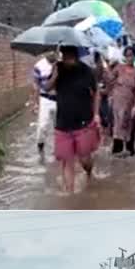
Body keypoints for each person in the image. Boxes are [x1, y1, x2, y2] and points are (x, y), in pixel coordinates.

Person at [45, 45, 100, 193]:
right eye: (64, 55)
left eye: (70, 56)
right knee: (66, 161)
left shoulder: (86, 71)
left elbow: (96, 93)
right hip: (62, 124)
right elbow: (47, 88)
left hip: (84, 123)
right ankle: (70, 194)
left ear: (76, 55)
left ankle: (88, 172)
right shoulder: (58, 68)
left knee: (84, 160)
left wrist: (96, 114)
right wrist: (55, 75)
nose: (67, 59)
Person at [106, 46, 135, 157]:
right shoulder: (118, 68)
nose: (130, 58)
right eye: (127, 55)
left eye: (132, 55)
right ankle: (117, 151)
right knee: (117, 125)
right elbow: (109, 80)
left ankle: (130, 150)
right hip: (117, 101)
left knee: (130, 125)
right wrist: (109, 67)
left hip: (129, 102)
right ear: (125, 57)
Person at [31, 52, 57, 158]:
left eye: (53, 50)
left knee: (59, 127)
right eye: (48, 51)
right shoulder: (39, 66)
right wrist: (35, 103)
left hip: (60, 100)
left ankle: (59, 152)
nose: (51, 53)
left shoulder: (61, 65)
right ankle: (40, 149)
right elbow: (36, 85)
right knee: (42, 126)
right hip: (45, 99)